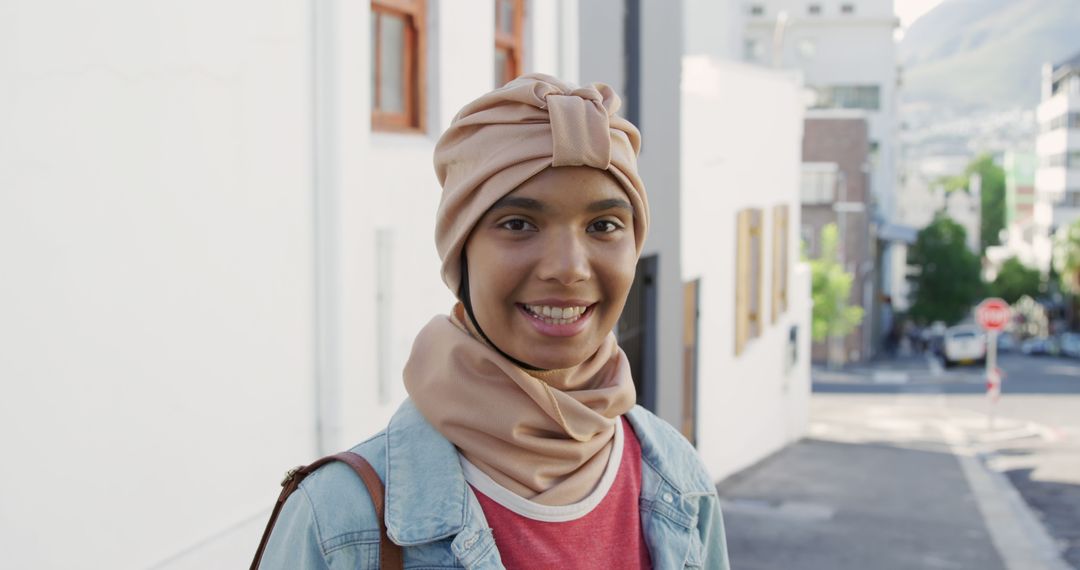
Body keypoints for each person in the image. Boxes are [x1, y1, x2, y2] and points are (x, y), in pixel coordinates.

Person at [260, 73, 730, 569]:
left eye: (603, 225)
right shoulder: (338, 518)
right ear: (460, 254)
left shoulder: (681, 483)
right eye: (518, 224)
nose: (568, 267)